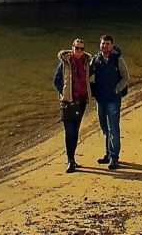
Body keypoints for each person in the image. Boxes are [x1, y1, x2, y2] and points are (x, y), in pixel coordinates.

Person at [90, 33, 130, 171]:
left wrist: (117, 89)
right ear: (100, 45)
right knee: (104, 128)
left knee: (113, 128)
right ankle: (108, 153)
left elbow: (126, 77)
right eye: (103, 43)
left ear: (112, 45)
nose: (105, 46)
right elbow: (88, 74)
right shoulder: (95, 60)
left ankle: (114, 157)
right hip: (100, 99)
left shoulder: (118, 59)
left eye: (107, 43)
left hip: (113, 99)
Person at [53, 37, 93, 173]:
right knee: (69, 131)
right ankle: (70, 160)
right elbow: (56, 80)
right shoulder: (65, 63)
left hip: (81, 102)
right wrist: (63, 94)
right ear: (72, 48)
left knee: (75, 131)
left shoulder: (86, 63)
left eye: (82, 48)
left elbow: (90, 77)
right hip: (68, 102)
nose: (79, 51)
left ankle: (73, 159)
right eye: (77, 48)